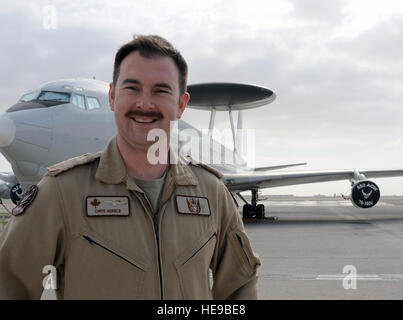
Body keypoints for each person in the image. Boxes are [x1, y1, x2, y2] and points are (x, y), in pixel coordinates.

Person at [0, 34, 261, 299]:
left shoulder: (212, 192)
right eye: (132, 88)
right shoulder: (58, 193)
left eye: (160, 90)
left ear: (181, 105)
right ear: (113, 97)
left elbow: (240, 284)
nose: (144, 104)